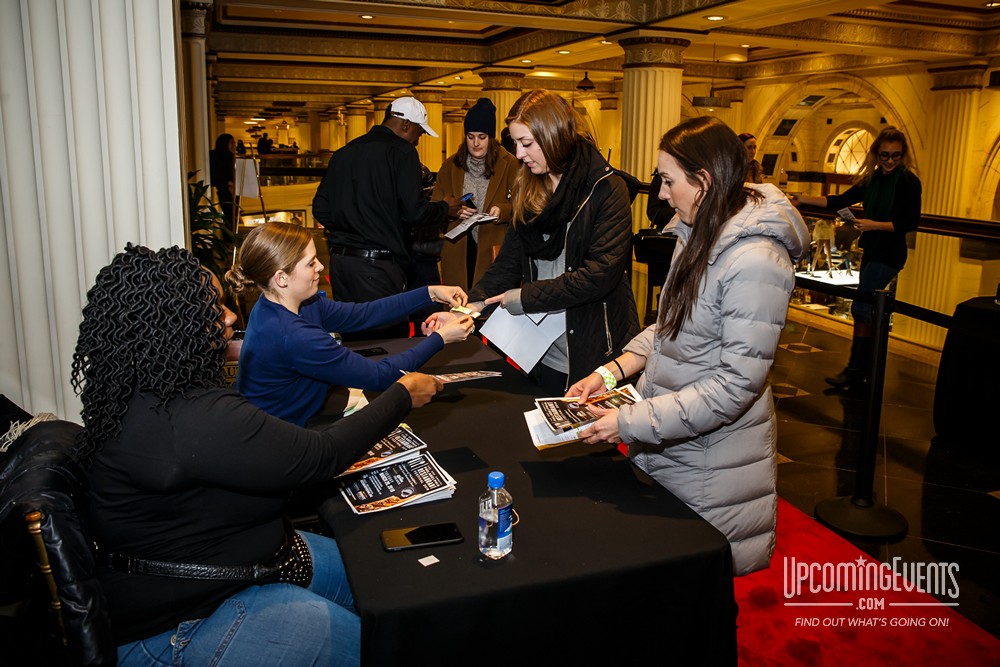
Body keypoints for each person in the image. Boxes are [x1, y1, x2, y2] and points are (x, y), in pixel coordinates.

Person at [73, 244, 442, 665]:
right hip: (182, 623)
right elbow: (320, 456)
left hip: (249, 559)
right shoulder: (190, 417)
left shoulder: (142, 395)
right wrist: (401, 395)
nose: (231, 317)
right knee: (389, 647)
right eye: (213, 308)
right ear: (171, 325)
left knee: (392, 586)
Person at [567, 116, 809, 576]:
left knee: (693, 590)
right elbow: (670, 327)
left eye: (667, 180)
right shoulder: (697, 229)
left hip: (711, 458)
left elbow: (735, 386)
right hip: (672, 434)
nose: (660, 194)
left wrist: (629, 422)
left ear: (704, 181)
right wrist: (611, 372)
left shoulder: (755, 259)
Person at [430, 89, 640, 395]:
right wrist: (467, 309)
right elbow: (508, 264)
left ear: (553, 136)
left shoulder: (606, 190)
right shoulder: (528, 186)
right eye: (515, 143)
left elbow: (598, 276)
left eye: (526, 143)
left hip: (594, 349)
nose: (518, 154)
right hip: (542, 352)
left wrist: (525, 298)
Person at [228, 221, 475, 427]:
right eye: (311, 263)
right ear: (281, 278)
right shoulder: (293, 335)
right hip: (282, 434)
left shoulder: (287, 303)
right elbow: (381, 377)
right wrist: (441, 338)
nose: (320, 266)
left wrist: (429, 292)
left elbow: (364, 314)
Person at [312, 96, 461, 339]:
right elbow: (414, 212)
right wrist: (445, 208)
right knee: (388, 342)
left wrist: (354, 227)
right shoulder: (402, 152)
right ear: (405, 125)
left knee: (354, 341)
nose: (418, 140)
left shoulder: (344, 153)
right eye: (419, 132)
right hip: (377, 267)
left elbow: (321, 209)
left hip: (341, 265)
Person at [791, 126, 921, 389]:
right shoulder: (873, 179)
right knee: (864, 308)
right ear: (876, 154)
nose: (890, 161)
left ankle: (857, 370)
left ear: (903, 155)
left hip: (890, 252)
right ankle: (862, 371)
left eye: (895, 156)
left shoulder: (908, 182)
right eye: (885, 155)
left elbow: (909, 222)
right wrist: (803, 199)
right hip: (872, 249)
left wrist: (874, 224)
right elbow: (840, 200)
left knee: (862, 307)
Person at [432, 98, 519, 291]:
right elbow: (435, 206)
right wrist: (451, 211)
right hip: (457, 248)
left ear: (491, 138)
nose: (476, 143)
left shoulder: (510, 164)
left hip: (493, 248)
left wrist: (503, 211)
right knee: (457, 301)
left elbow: (524, 207)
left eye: (482, 137)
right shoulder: (450, 166)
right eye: (470, 137)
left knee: (488, 302)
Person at [209, 133, 238, 224]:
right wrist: (229, 183)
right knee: (229, 215)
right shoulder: (215, 156)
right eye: (231, 143)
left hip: (234, 189)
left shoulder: (232, 156)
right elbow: (216, 174)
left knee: (234, 215)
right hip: (224, 189)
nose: (234, 145)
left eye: (234, 143)